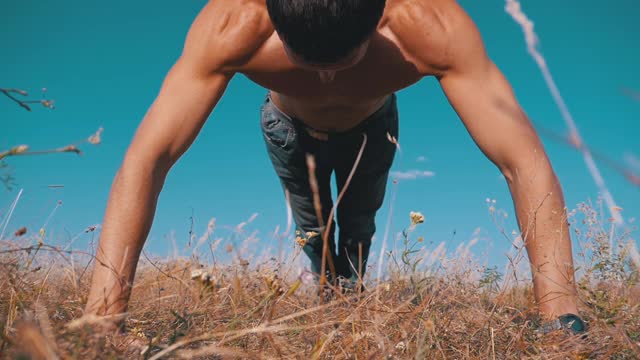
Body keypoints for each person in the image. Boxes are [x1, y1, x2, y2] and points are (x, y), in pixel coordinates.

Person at [85, 0, 586, 335]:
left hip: (372, 130)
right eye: (306, 61)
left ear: (375, 22)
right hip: (287, 130)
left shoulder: (430, 26)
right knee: (314, 230)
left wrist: (560, 313)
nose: (325, 75)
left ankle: (350, 296)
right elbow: (147, 159)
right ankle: (329, 297)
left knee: (359, 228)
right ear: (276, 23)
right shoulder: (232, 25)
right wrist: (103, 316)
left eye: (343, 62)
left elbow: (523, 161)